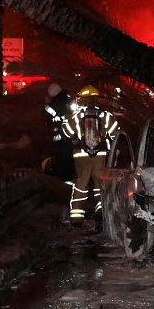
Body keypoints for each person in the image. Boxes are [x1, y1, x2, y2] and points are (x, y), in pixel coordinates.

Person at [62, 85, 118, 229]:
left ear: (82, 100)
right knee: (100, 186)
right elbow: (116, 134)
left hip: (81, 157)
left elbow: (66, 132)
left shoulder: (77, 116)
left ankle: (76, 219)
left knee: (81, 186)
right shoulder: (105, 115)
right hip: (100, 156)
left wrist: (66, 120)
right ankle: (101, 214)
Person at [43, 83, 76, 211]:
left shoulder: (53, 104)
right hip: (73, 142)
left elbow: (45, 116)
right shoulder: (71, 101)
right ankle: (75, 193)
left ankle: (66, 196)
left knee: (64, 169)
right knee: (73, 168)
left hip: (60, 143)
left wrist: (47, 104)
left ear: (52, 94)